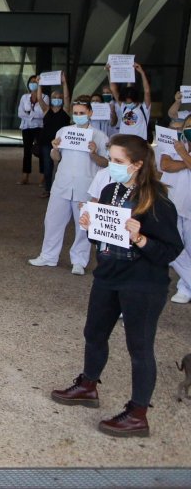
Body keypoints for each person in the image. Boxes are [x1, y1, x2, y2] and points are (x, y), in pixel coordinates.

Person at [51, 135, 184, 438]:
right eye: (111, 159)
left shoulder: (158, 201)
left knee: (139, 347)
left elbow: (171, 250)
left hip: (143, 283)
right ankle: (88, 385)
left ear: (137, 164)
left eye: (118, 161)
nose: (111, 165)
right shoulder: (110, 190)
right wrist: (91, 225)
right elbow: (102, 238)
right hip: (108, 274)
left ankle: (138, 414)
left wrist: (140, 238)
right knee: (94, 333)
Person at [28, 100, 109, 274]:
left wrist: (93, 153)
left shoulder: (100, 136)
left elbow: (105, 163)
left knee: (83, 225)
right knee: (53, 221)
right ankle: (48, 256)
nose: (78, 116)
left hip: (85, 186)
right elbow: (56, 158)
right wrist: (55, 148)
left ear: (90, 113)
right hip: (62, 184)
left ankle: (79, 261)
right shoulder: (64, 131)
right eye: (76, 113)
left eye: (82, 113)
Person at [158, 118, 191, 303]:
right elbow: (166, 165)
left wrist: (182, 155)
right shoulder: (173, 143)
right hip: (172, 204)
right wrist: (187, 160)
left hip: (189, 207)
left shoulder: (179, 149)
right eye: (188, 126)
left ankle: (184, 288)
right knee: (172, 246)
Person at [39, 78, 72, 196]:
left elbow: (67, 97)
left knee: (63, 166)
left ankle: (62, 188)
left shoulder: (66, 110)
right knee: (48, 167)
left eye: (59, 97)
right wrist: (39, 84)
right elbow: (39, 99)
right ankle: (48, 189)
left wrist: (64, 83)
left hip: (63, 142)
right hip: (47, 142)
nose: (56, 99)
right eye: (54, 97)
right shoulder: (46, 109)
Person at [108, 62, 152, 140]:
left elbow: (147, 91)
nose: (126, 103)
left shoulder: (144, 108)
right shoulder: (124, 107)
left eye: (129, 102)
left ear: (135, 100)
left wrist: (142, 72)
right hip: (123, 142)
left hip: (138, 143)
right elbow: (113, 89)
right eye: (125, 102)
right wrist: (110, 71)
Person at [18, 74, 48, 185]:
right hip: (26, 127)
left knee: (41, 151)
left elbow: (44, 114)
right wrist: (33, 116)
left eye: (36, 82)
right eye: (31, 82)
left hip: (40, 127)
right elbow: (20, 113)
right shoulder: (24, 97)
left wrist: (29, 114)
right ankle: (25, 176)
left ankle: (43, 176)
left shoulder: (45, 97)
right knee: (27, 151)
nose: (33, 84)